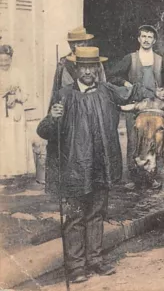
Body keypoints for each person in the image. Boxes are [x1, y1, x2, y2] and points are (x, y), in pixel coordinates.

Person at [37, 47, 155, 283]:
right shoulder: (64, 95)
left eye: (93, 67)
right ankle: (77, 267)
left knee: (96, 214)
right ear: (76, 68)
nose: (89, 71)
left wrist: (156, 91)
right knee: (75, 218)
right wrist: (53, 118)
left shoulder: (106, 91)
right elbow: (45, 131)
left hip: (101, 165)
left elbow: (132, 94)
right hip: (75, 167)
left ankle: (96, 261)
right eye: (84, 67)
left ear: (98, 68)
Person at [107, 25, 164, 190]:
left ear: (154, 40)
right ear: (138, 39)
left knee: (153, 140)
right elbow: (111, 75)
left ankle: (151, 177)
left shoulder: (160, 60)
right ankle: (133, 177)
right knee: (134, 140)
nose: (146, 40)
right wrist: (126, 83)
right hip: (136, 106)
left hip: (154, 107)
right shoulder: (130, 58)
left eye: (150, 37)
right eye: (143, 36)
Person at [49, 27, 105, 111]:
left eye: (79, 42)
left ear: (86, 43)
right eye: (72, 43)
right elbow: (56, 91)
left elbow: (103, 88)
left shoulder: (96, 63)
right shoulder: (63, 64)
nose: (75, 46)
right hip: (70, 110)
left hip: (92, 108)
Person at [0, 42, 32, 176]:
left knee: (16, 138)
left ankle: (17, 171)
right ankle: (3, 170)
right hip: (1, 111)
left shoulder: (18, 73)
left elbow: (26, 93)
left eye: (6, 60)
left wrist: (16, 97)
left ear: (11, 59)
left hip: (15, 110)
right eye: (0, 60)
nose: (3, 63)